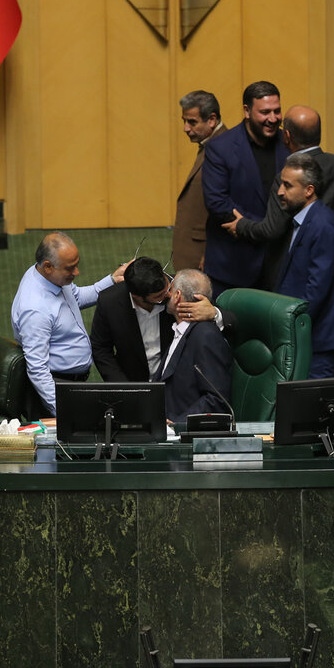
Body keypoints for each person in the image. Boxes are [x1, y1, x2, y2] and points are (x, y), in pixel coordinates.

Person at [223, 104, 334, 287]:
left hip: (299, 270)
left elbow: (272, 229)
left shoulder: (286, 178)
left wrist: (241, 225)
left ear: (287, 136)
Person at [11, 232, 127, 416]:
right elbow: (38, 370)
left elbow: (76, 297)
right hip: (56, 390)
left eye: (77, 265)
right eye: (70, 268)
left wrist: (112, 280)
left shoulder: (49, 276)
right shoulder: (35, 310)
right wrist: (63, 410)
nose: (77, 272)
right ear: (48, 266)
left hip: (70, 384)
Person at [201, 81, 288, 295]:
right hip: (233, 264)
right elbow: (217, 201)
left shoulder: (289, 143)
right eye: (265, 112)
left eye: (277, 111)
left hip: (280, 262)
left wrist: (268, 228)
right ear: (247, 111)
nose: (273, 118)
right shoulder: (219, 148)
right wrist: (262, 228)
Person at [272, 153, 334, 379]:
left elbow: (317, 288)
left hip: (318, 336)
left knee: (315, 396)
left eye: (288, 185)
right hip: (307, 333)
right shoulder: (305, 219)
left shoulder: (322, 225)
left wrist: (291, 325)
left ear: (309, 190)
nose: (280, 192)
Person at [90, 256, 228, 383]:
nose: (169, 295)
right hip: (134, 383)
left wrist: (214, 313)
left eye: (168, 286)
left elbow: (231, 320)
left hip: (178, 383)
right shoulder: (109, 302)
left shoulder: (180, 288)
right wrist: (123, 387)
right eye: (159, 296)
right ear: (137, 297)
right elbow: (101, 349)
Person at [159, 269, 233, 423]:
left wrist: (178, 425)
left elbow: (216, 399)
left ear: (177, 296)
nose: (166, 294)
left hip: (183, 433)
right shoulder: (181, 330)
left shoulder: (206, 336)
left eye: (170, 289)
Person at [172, 90, 226, 272]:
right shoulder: (209, 145)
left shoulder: (224, 148)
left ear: (211, 120)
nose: (186, 128)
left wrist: (211, 252)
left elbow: (225, 206)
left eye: (192, 122)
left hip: (205, 254)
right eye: (184, 121)